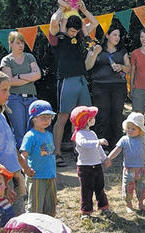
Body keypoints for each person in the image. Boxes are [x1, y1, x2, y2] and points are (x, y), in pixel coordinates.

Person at [49, 1, 99, 167]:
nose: (73, 33)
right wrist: (62, 7)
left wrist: (83, 10)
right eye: (71, 30)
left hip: (81, 79)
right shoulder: (58, 37)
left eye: (76, 30)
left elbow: (95, 23)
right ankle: (57, 153)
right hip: (66, 80)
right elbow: (54, 21)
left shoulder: (79, 36)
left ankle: (80, 151)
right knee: (63, 117)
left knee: (83, 116)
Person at [85, 25, 130, 147]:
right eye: (115, 35)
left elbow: (129, 68)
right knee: (102, 114)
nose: (118, 38)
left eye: (119, 35)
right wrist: (95, 53)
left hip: (118, 86)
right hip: (100, 86)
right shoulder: (96, 48)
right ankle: (102, 143)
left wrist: (121, 67)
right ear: (107, 35)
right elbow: (87, 66)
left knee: (117, 113)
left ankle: (118, 144)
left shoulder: (122, 50)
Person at [105, 112, 145, 212]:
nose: (130, 130)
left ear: (140, 130)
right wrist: (109, 158)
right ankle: (129, 205)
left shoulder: (144, 138)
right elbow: (117, 150)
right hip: (129, 169)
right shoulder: (124, 139)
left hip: (142, 168)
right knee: (128, 187)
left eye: (133, 128)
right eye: (128, 128)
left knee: (143, 187)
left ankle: (141, 203)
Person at [70, 106, 112, 219]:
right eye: (91, 117)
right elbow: (85, 143)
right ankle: (86, 211)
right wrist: (98, 141)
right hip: (85, 168)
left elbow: (98, 149)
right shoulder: (79, 134)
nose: (94, 119)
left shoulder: (92, 133)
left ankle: (104, 207)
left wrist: (104, 158)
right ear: (86, 121)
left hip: (97, 166)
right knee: (86, 190)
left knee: (100, 187)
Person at [0, 31, 41, 148]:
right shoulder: (6, 60)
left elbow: (38, 75)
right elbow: (9, 82)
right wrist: (30, 77)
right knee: (19, 132)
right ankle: (21, 163)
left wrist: (19, 76)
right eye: (18, 43)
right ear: (10, 44)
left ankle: (34, 160)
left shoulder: (29, 57)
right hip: (14, 99)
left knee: (34, 129)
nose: (21, 45)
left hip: (31, 98)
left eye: (22, 43)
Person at [19, 100, 57, 217]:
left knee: (51, 208)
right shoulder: (30, 136)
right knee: (35, 209)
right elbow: (22, 155)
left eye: (49, 117)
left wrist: (54, 174)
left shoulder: (49, 135)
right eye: (43, 117)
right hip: (36, 177)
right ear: (34, 118)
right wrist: (26, 169)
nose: (47, 120)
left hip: (50, 176)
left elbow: (50, 156)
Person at [0, 72, 26, 216]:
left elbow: (10, 146)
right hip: (3, 181)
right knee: (7, 220)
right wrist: (3, 182)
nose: (8, 94)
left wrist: (24, 167)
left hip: (14, 176)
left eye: (9, 90)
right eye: (4, 90)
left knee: (19, 217)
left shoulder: (2, 116)